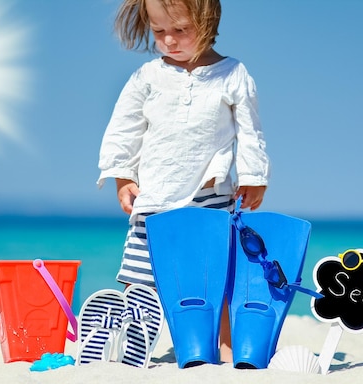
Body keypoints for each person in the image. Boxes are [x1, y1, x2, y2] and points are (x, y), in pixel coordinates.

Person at [97, 0, 270, 362]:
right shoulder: (148, 77)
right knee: (139, 274)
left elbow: (250, 130)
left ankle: (223, 344)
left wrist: (253, 175)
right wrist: (122, 175)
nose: (169, 40)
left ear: (207, 22)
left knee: (217, 277)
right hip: (155, 195)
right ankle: (132, 338)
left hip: (210, 193)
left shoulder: (231, 73)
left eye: (181, 30)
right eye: (159, 32)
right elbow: (124, 129)